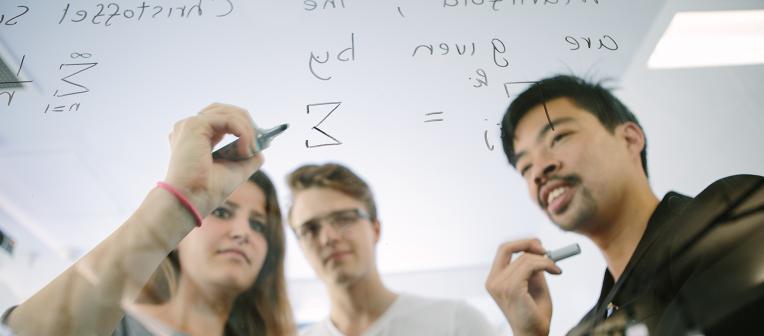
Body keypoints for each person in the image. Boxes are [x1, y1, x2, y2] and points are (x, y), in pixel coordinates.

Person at [484, 75, 764, 335]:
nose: (539, 171)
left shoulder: (729, 210)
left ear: (630, 139)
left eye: (558, 137)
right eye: (525, 167)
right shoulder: (585, 329)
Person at [2, 103, 296, 336]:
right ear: (180, 238)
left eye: (258, 224)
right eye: (221, 212)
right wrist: (181, 200)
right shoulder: (111, 326)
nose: (242, 232)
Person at [286, 163, 496, 336]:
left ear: (375, 229)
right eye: (310, 229)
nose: (327, 238)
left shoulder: (455, 323)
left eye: (343, 219)